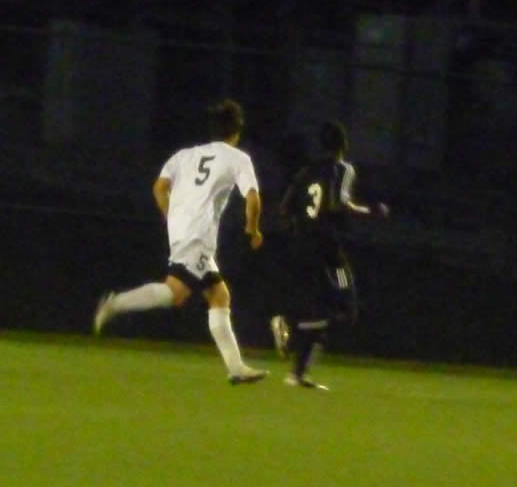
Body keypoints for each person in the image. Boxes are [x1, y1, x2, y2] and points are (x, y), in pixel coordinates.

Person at [93, 99, 268, 384]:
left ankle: (236, 368)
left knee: (218, 296)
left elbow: (159, 188)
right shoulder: (238, 158)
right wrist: (253, 229)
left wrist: (171, 217)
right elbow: (253, 199)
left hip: (182, 232)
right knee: (176, 292)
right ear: (237, 131)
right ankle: (116, 304)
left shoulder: (185, 155)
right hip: (198, 236)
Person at [270, 120, 389, 390]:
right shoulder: (343, 169)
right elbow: (341, 203)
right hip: (329, 252)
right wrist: (371, 211)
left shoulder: (306, 172)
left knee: (318, 313)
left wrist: (301, 231)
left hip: (302, 249)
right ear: (343, 145)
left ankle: (298, 373)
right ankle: (290, 328)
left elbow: (285, 209)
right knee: (347, 308)